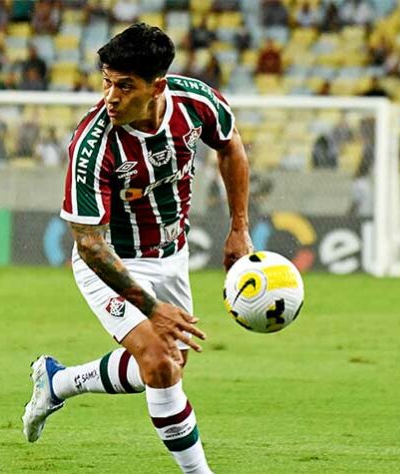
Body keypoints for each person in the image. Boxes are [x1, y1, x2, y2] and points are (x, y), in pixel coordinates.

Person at [22, 24, 253, 473]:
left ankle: (59, 382)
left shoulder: (197, 102)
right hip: (111, 261)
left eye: (125, 86)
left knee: (163, 366)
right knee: (160, 363)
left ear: (157, 86)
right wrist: (150, 305)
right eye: (106, 81)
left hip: (172, 254)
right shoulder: (92, 145)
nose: (111, 96)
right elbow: (88, 243)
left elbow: (231, 148)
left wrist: (239, 228)